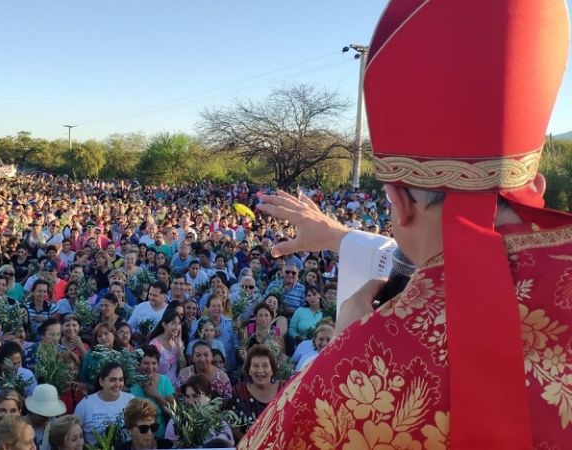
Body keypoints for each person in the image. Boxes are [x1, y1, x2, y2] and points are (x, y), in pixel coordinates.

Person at [238, 1, 571, 448]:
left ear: (398, 202)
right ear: (535, 181)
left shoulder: (358, 378)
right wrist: (342, 237)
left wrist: (340, 352)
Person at [73, 362, 135, 445]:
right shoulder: (85, 405)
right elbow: (75, 437)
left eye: (121, 379)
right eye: (112, 380)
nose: (118, 384)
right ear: (101, 381)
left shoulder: (131, 400)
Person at [164, 375, 234, 447]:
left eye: (196, 396)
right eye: (187, 396)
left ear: (208, 397)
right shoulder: (175, 422)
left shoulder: (220, 424)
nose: (190, 402)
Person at [229, 345, 281, 442]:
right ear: (249, 370)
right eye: (255, 366)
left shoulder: (285, 389)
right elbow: (232, 426)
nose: (260, 370)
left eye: (265, 365)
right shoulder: (238, 392)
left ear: (272, 370)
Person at [129, 346, 175, 440]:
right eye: (146, 363)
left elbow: (174, 411)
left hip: (160, 437)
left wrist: (155, 395)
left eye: (154, 363)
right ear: (138, 364)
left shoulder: (164, 381)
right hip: (135, 437)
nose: (150, 367)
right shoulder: (130, 382)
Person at [146, 309, 186, 383]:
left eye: (179, 323)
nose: (177, 327)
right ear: (164, 325)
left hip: (175, 387)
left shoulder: (177, 342)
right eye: (173, 323)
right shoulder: (154, 345)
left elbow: (183, 366)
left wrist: (179, 347)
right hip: (159, 387)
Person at [24, 384, 68, 450]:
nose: (47, 419)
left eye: (50, 415)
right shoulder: (20, 428)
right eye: (43, 416)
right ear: (32, 411)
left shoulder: (55, 425)